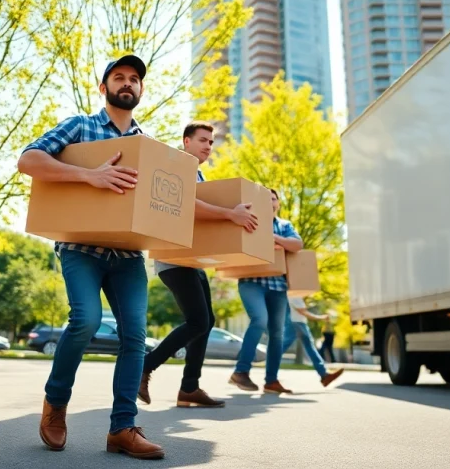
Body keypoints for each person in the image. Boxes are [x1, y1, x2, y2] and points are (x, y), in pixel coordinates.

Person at [17, 54, 164, 460]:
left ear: (141, 89)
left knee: (135, 337)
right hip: (81, 249)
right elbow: (28, 160)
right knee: (86, 320)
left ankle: (122, 429)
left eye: (134, 79)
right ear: (104, 87)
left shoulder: (146, 145)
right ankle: (55, 403)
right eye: (119, 77)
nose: (128, 83)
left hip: (129, 255)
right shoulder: (80, 126)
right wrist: (89, 175)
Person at [137, 121, 258, 409]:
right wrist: (230, 214)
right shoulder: (178, 165)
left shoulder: (198, 173)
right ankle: (145, 366)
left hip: (191, 259)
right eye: (203, 140)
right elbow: (186, 204)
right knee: (198, 321)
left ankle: (189, 387)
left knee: (207, 321)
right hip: (173, 257)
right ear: (186, 141)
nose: (208, 146)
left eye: (211, 142)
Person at [228, 188, 301, 394]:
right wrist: (279, 243)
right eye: (266, 198)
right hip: (251, 281)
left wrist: (274, 238)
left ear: (278, 203)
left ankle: (271, 380)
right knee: (259, 320)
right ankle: (241, 371)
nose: (270, 202)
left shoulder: (285, 225)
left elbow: (297, 244)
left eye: (274, 199)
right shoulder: (251, 219)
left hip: (278, 286)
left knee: (277, 333)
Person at [282, 297, 344, 387]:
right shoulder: (295, 296)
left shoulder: (295, 295)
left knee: (309, 348)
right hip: (297, 323)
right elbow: (303, 312)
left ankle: (324, 374)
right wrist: (321, 317)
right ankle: (270, 375)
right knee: (282, 348)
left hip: (297, 323)